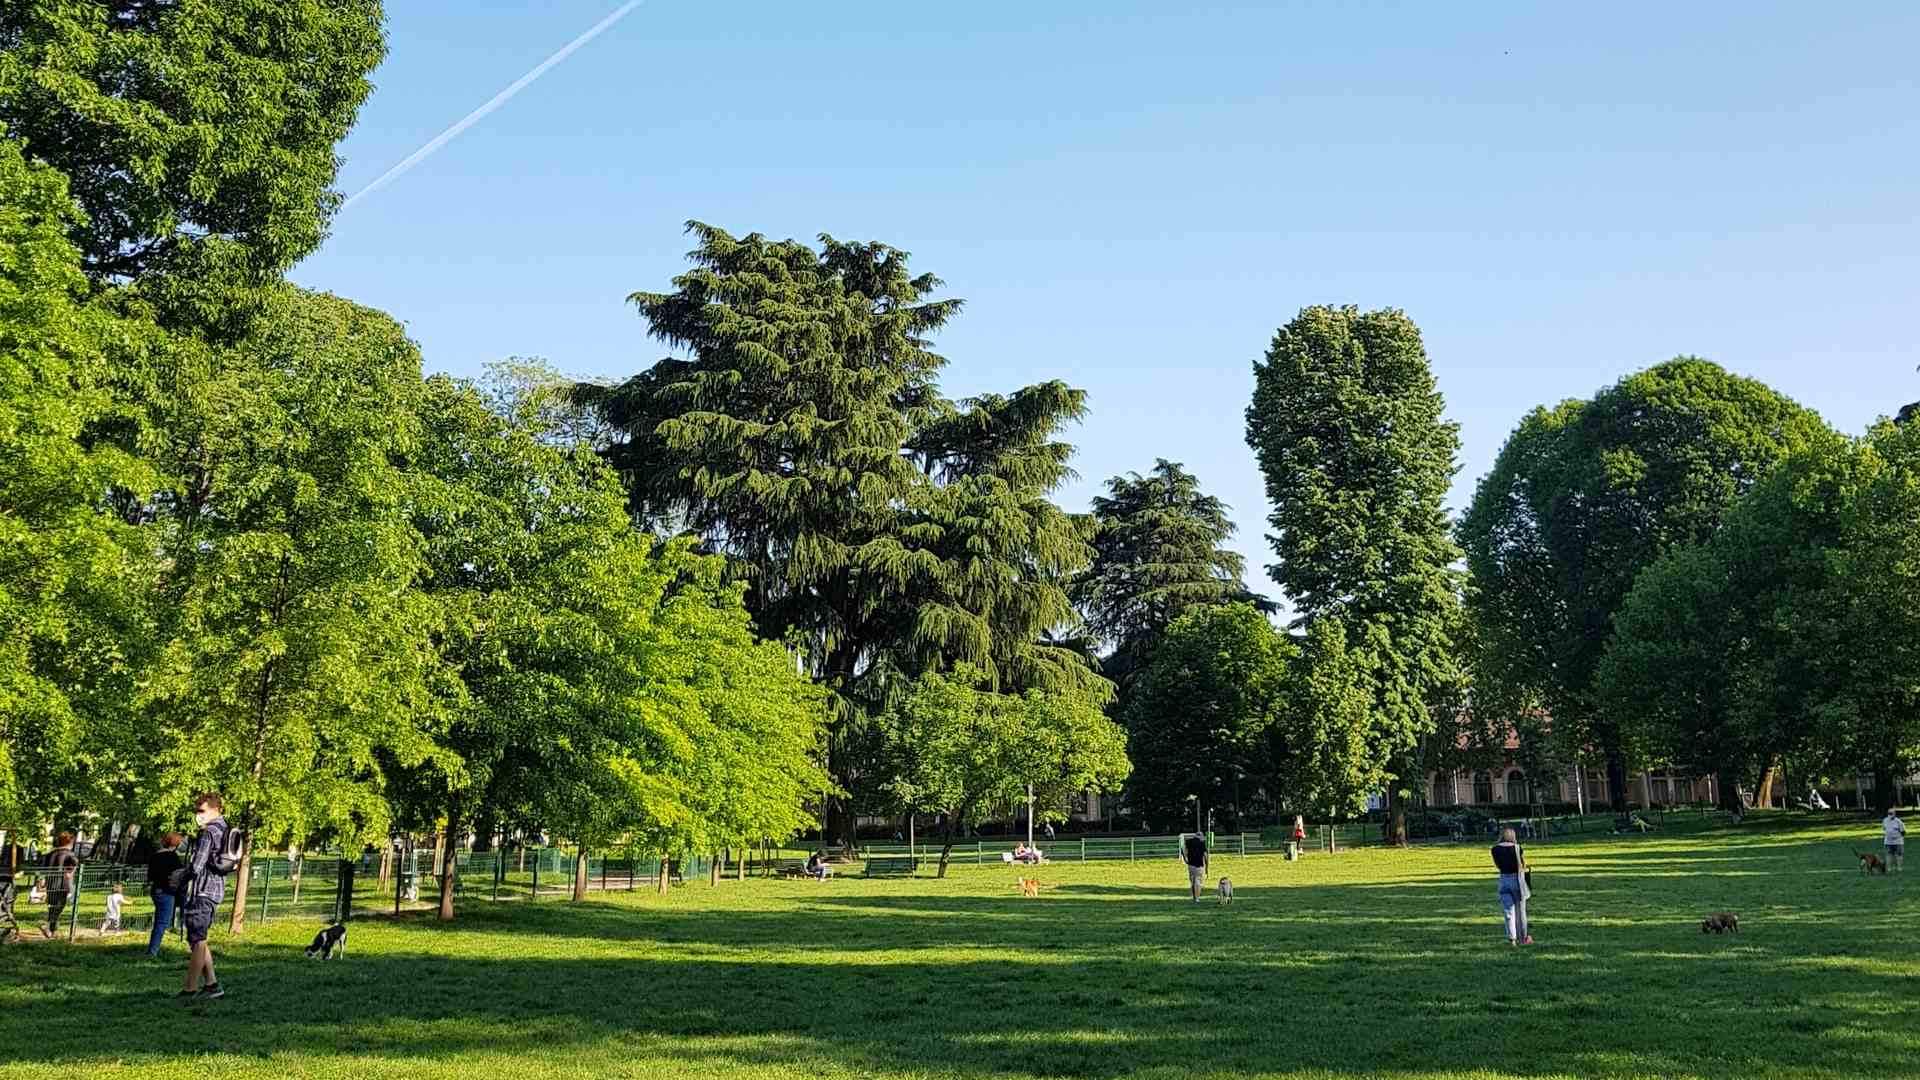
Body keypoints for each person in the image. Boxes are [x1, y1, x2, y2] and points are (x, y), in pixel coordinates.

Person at [180, 793, 229, 999]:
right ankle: (211, 984)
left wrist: (180, 878)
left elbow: (197, 865)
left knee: (198, 939)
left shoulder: (208, 832)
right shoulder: (225, 829)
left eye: (202, 811)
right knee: (199, 939)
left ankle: (190, 988)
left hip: (201, 889)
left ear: (215, 810)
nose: (198, 815)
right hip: (216, 890)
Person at [145, 833, 185, 958]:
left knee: (160, 920)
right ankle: (152, 952)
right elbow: (180, 874)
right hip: (167, 892)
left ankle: (153, 948)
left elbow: (150, 876)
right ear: (176, 844)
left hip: (156, 890)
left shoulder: (154, 856)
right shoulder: (172, 857)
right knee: (162, 922)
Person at [1491, 827, 1532, 946]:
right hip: (1516, 880)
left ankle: (1512, 939)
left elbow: (1498, 866)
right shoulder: (1517, 848)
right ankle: (1523, 938)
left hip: (1503, 879)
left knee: (1508, 912)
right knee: (1521, 911)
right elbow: (1522, 865)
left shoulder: (1494, 849)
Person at [42, 832, 78, 939]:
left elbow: (44, 867)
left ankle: (51, 927)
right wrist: (72, 871)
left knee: (52, 906)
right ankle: (51, 928)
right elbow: (74, 863)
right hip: (63, 884)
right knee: (59, 906)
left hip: (50, 882)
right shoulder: (69, 854)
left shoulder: (50, 854)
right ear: (70, 842)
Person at [1180, 832, 1208, 903]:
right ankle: (1197, 898)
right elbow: (1205, 856)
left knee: (1193, 882)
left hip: (1191, 865)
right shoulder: (1202, 843)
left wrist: (1185, 859)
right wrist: (1207, 866)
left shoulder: (1189, 842)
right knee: (1198, 882)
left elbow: (1183, 849)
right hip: (1199, 865)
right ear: (1201, 836)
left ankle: (1194, 897)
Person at [1884, 808, 1906, 873]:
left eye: (1891, 813)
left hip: (1898, 842)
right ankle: (1889, 868)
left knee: (1899, 855)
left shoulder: (1899, 822)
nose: (1890, 815)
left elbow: (1903, 832)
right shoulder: (1885, 820)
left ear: (1894, 814)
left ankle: (1899, 868)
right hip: (1888, 842)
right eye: (1889, 813)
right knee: (1889, 855)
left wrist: (1897, 836)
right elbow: (1884, 829)